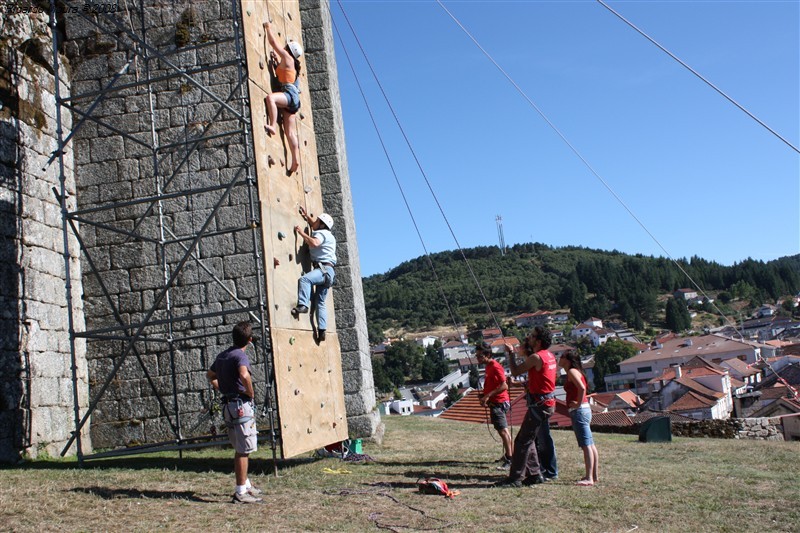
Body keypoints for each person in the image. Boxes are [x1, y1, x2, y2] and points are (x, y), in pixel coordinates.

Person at [494, 326, 557, 488]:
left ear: (539, 341)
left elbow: (515, 371)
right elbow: (542, 380)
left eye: (533, 335)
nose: (529, 337)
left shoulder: (536, 357)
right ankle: (535, 474)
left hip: (539, 405)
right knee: (529, 439)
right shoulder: (549, 356)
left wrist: (510, 354)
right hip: (546, 403)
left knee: (521, 441)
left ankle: (515, 478)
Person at [207, 321, 262, 504]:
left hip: (228, 406)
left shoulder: (223, 355)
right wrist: (250, 392)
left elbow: (210, 375)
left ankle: (246, 485)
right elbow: (244, 375)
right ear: (250, 340)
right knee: (243, 450)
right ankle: (240, 492)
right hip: (240, 405)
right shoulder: (240, 356)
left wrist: (221, 388)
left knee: (240, 445)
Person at [263, 21, 303, 174]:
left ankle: (272, 125)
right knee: (290, 132)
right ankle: (295, 160)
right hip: (294, 100)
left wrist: (268, 28)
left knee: (271, 98)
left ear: (288, 49)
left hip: (288, 95)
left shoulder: (286, 56)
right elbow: (282, 75)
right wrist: (275, 64)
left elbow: (273, 42)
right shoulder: (293, 65)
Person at [292, 206, 336, 342]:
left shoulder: (320, 234)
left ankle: (303, 305)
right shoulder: (329, 235)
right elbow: (315, 226)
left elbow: (315, 243)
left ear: (322, 224)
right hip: (329, 272)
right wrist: (307, 217)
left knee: (305, 280)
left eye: (317, 220)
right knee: (320, 302)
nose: (314, 222)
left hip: (321, 270)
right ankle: (322, 330)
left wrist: (301, 233)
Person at [559, 350, 599, 486]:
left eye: (562, 356)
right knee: (590, 443)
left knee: (586, 444)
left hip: (580, 410)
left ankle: (589, 478)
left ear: (568, 360)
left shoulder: (571, 372)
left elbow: (582, 388)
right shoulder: (576, 371)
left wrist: (577, 403)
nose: (560, 358)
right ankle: (593, 475)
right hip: (584, 409)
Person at [475, 341, 513, 468]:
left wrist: (487, 396)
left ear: (488, 354)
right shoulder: (488, 366)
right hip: (495, 402)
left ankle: (510, 458)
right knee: (502, 430)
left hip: (499, 402)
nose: (478, 358)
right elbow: (494, 384)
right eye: (477, 356)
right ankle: (509, 454)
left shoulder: (495, 366)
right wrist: (484, 395)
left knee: (503, 431)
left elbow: (504, 385)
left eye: (480, 356)